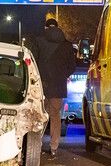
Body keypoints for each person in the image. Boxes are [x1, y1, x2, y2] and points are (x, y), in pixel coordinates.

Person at [29, 18, 76, 157]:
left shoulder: (38, 42)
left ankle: (36, 144)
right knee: (55, 116)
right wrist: (62, 75)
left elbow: (33, 62)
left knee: (38, 115)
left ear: (45, 28)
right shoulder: (67, 45)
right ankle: (54, 146)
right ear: (57, 27)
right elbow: (72, 66)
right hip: (58, 86)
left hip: (41, 85)